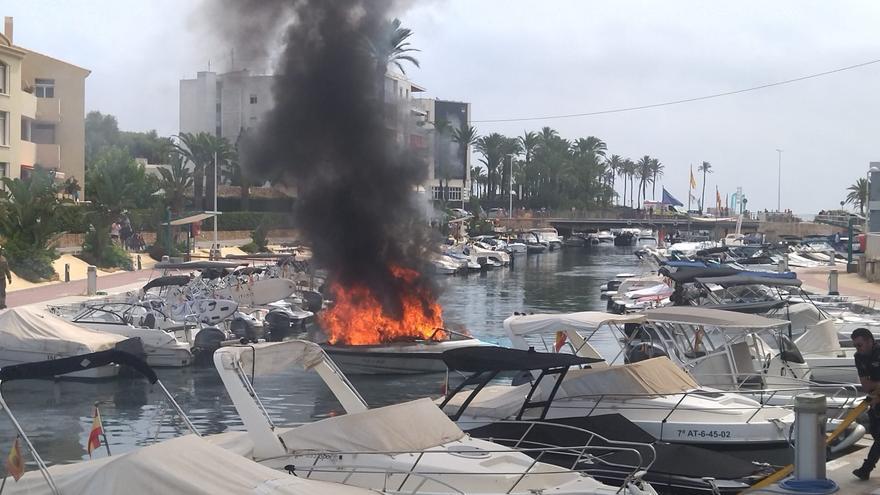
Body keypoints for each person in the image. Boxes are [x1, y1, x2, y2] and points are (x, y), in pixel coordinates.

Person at [853, 327, 880, 480]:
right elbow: (865, 385)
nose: (857, 348)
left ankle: (866, 469)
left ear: (870, 341)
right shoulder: (859, 357)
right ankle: (866, 469)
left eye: (860, 345)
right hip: (875, 401)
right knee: (876, 434)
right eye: (855, 345)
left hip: (877, 399)